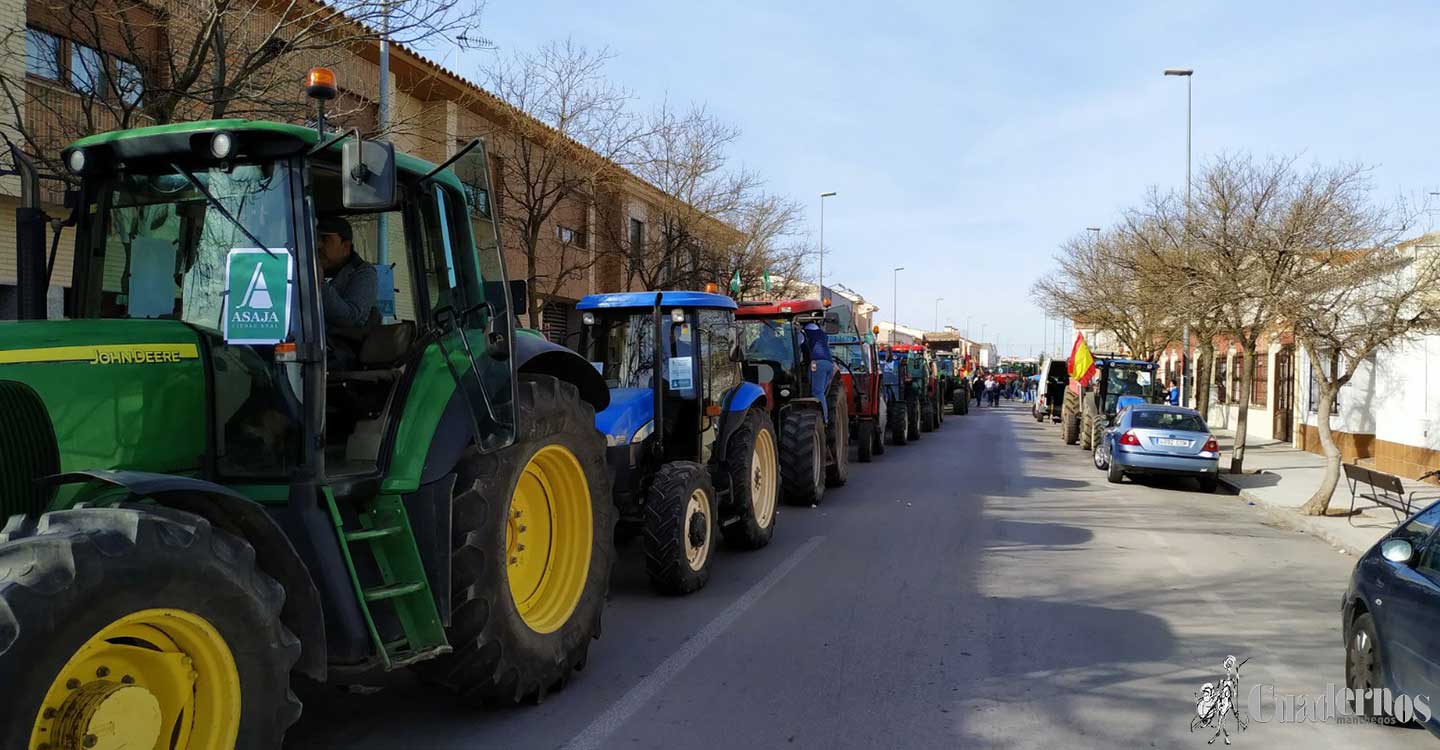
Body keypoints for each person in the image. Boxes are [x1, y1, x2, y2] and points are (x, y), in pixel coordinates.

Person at [318, 217, 377, 330]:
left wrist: (320, 285)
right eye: (315, 239)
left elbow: (351, 319)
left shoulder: (363, 273)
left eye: (325, 239)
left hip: (340, 345)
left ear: (345, 246)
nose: (318, 245)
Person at [802, 321, 835, 421]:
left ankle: (823, 419)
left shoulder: (804, 333)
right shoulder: (822, 333)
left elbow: (801, 347)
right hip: (829, 363)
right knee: (822, 393)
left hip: (817, 363)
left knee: (817, 392)